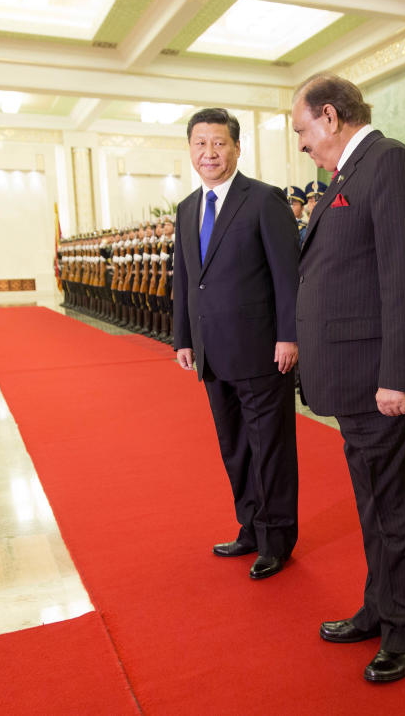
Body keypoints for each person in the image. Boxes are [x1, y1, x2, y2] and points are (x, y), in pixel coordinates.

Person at [291, 73, 405, 683]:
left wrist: (397, 377)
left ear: (329, 117)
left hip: (387, 383)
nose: (302, 144)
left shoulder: (389, 164)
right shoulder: (349, 175)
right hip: (357, 381)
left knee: (402, 509)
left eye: (303, 130)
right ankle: (382, 607)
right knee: (376, 507)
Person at [171, 107, 299, 580]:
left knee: (270, 447)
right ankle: (250, 525)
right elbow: (185, 280)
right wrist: (183, 338)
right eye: (200, 143)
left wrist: (290, 335)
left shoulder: (264, 200)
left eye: (219, 143)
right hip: (211, 352)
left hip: (263, 349)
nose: (209, 152)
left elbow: (289, 276)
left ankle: (276, 538)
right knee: (235, 448)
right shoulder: (187, 208)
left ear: (237, 148)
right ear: (190, 149)